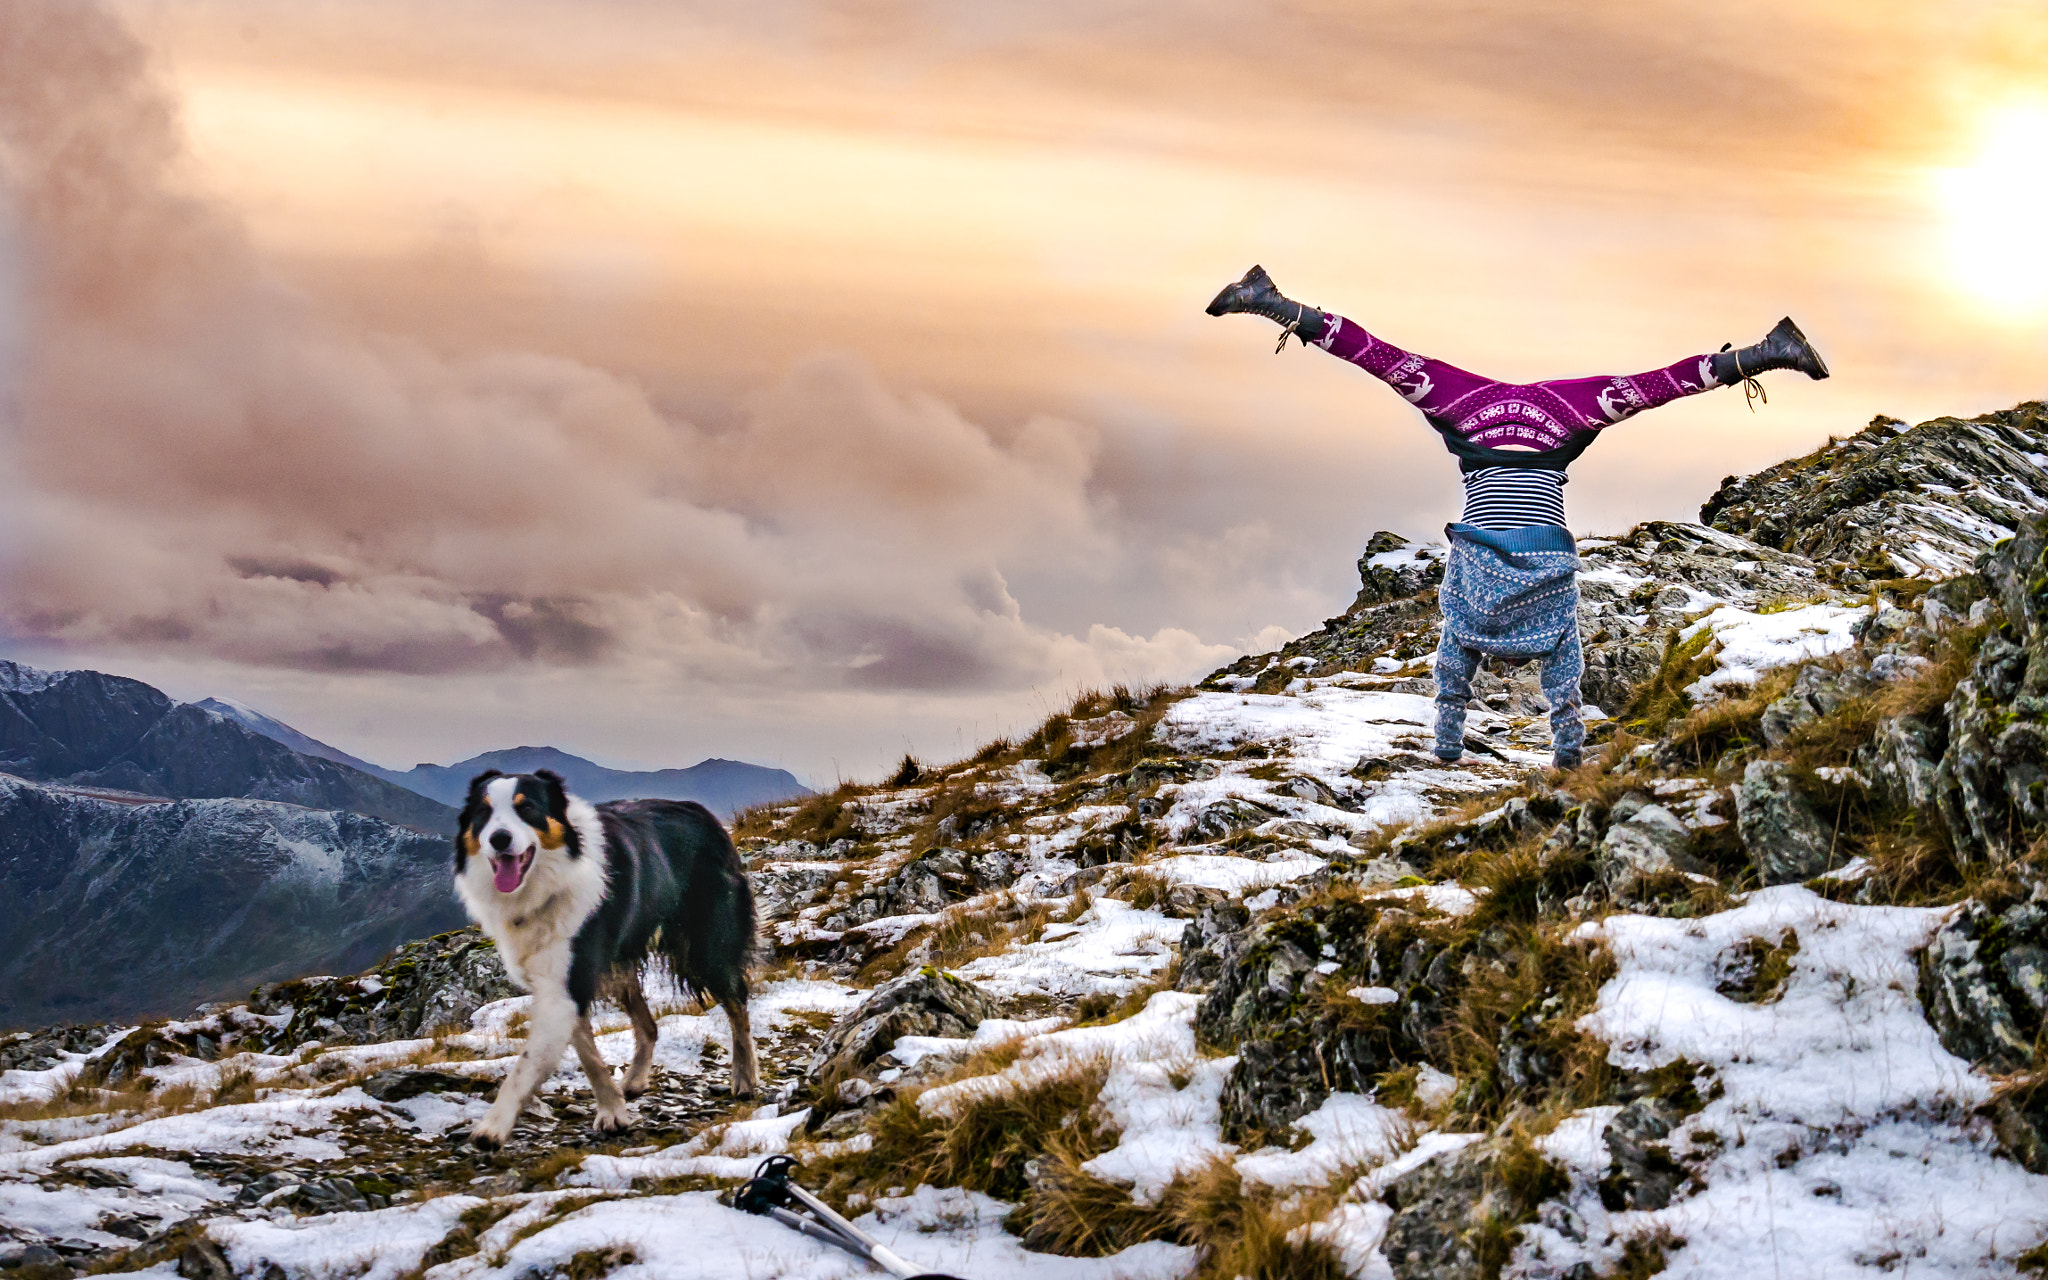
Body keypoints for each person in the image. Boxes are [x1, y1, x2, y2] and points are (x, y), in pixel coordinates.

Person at [1205, 265, 1829, 770]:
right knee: (1559, 646)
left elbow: (1370, 352)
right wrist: (1759, 355)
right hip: (1544, 553)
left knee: (1459, 636)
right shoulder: (1571, 408)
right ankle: (1567, 749)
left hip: (1480, 546)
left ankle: (1447, 741)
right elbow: (1666, 382)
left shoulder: (1458, 396)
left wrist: (1281, 307)